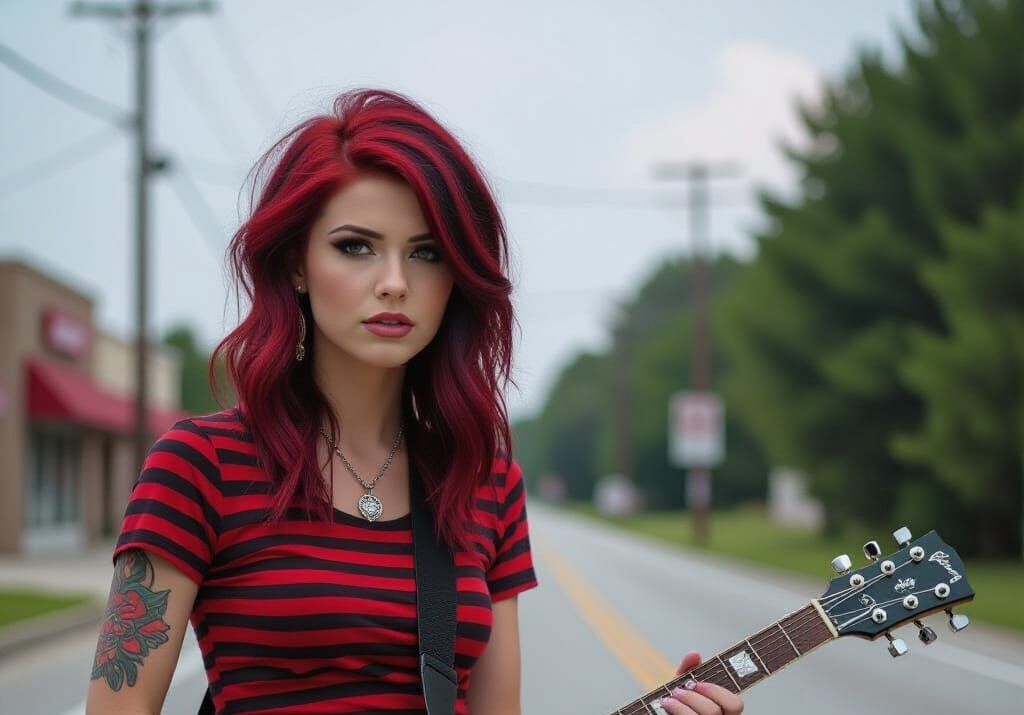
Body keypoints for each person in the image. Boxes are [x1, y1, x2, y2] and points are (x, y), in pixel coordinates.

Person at [84, 89, 743, 715]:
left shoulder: (486, 482)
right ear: (295, 264)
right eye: (355, 246)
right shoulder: (199, 467)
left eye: (426, 253)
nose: (395, 283)